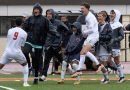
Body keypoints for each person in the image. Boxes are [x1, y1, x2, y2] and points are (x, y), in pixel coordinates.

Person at [71, 3, 108, 85]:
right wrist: (85, 33)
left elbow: (91, 29)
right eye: (81, 8)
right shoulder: (88, 16)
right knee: (84, 53)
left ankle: (80, 70)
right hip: (90, 37)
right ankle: (99, 67)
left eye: (83, 8)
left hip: (93, 37)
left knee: (82, 52)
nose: (81, 10)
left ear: (87, 8)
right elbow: (90, 29)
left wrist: (84, 32)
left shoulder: (90, 17)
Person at [22, 3, 54, 84]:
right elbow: (24, 28)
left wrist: (54, 34)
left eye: (37, 9)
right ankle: (29, 66)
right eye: (34, 9)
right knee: (25, 51)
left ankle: (36, 77)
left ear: (40, 11)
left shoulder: (45, 20)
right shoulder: (30, 19)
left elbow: (51, 29)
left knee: (36, 60)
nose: (35, 10)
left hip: (39, 43)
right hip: (29, 40)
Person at [39, 9, 69, 81]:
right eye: (47, 14)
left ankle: (70, 68)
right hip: (48, 45)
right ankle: (44, 75)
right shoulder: (44, 23)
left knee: (61, 60)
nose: (48, 15)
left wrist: (61, 38)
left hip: (56, 45)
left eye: (50, 14)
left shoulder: (58, 22)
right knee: (46, 61)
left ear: (53, 15)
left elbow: (67, 30)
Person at [0, 18, 30, 87]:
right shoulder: (24, 33)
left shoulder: (10, 30)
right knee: (25, 65)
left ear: (15, 23)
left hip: (8, 51)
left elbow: (8, 40)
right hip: (17, 52)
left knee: (0, 66)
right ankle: (25, 83)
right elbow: (22, 45)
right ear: (22, 24)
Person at [95, 11, 113, 83]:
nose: (98, 17)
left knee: (103, 64)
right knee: (98, 64)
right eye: (98, 16)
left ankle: (106, 79)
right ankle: (107, 75)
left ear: (104, 17)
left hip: (105, 47)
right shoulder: (97, 25)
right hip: (98, 47)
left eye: (100, 16)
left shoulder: (108, 26)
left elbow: (110, 36)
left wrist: (100, 36)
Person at [109, 9, 125, 83]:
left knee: (116, 61)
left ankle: (121, 77)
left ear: (117, 15)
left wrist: (114, 40)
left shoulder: (119, 25)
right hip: (107, 46)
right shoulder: (108, 24)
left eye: (113, 13)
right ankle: (119, 70)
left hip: (115, 46)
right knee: (107, 60)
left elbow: (122, 36)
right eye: (111, 13)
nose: (111, 14)